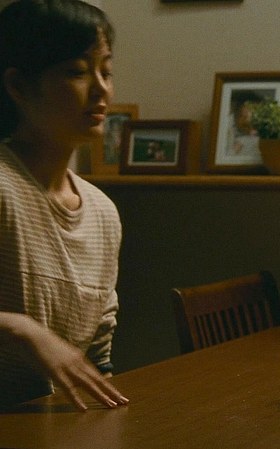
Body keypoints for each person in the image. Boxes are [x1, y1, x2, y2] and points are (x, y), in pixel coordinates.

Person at [0, 0, 129, 410]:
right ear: (19, 86)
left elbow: (99, 359)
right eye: (77, 71)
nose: (101, 89)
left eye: (106, 71)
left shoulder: (102, 212)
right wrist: (19, 328)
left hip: (51, 423)